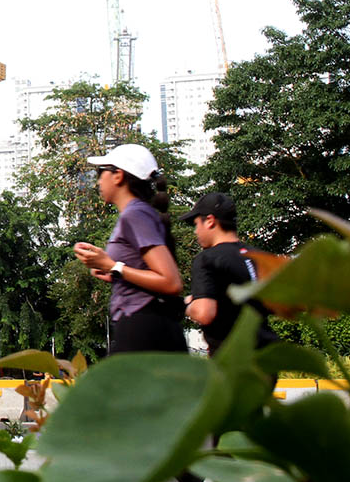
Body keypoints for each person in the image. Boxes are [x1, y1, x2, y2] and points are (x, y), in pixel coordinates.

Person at [73, 143, 186, 355]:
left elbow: (171, 282)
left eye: (101, 173)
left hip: (144, 326)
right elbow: (141, 270)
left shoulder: (135, 215)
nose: (98, 180)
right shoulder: (138, 214)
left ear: (118, 176)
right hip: (143, 325)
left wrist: (112, 265)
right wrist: (108, 270)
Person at [180, 192, 279, 355]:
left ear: (210, 221)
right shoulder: (260, 256)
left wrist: (185, 304)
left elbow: (204, 313)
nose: (196, 231)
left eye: (197, 224)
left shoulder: (207, 259)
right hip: (267, 355)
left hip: (233, 358)